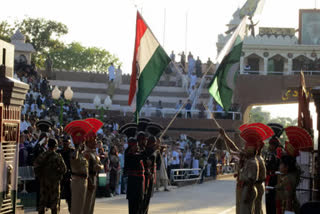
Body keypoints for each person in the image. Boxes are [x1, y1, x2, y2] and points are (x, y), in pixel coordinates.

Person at [275, 126, 311, 214]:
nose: (279, 167)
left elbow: (288, 199)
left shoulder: (288, 179)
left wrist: (287, 212)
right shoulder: (292, 173)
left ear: (286, 167)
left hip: (289, 208)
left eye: (281, 164)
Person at [65, 120, 92, 214]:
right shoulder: (74, 153)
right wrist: (77, 147)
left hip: (84, 180)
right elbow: (73, 157)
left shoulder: (83, 155)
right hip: (77, 180)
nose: (84, 145)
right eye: (82, 143)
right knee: (76, 205)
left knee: (81, 205)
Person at [33, 139, 67, 214]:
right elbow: (64, 169)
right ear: (55, 146)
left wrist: (40, 176)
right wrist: (57, 174)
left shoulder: (42, 155)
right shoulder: (57, 157)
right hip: (54, 183)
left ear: (48, 146)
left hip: (44, 182)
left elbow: (35, 166)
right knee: (54, 202)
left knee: (42, 202)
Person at [83, 118, 104, 214]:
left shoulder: (93, 153)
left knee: (91, 204)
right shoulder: (86, 153)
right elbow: (86, 169)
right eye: (94, 140)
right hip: (89, 179)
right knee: (87, 204)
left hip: (94, 177)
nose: (96, 142)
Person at [265, 123, 284, 214]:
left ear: (275, 145)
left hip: (275, 180)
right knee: (269, 201)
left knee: (273, 202)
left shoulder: (279, 154)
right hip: (270, 179)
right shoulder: (271, 154)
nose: (269, 147)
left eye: (271, 145)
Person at [57, 137, 74, 212]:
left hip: (69, 174)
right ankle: (57, 208)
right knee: (58, 193)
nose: (66, 144)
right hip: (60, 174)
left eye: (67, 143)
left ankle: (71, 209)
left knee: (69, 194)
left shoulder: (72, 151)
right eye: (64, 143)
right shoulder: (59, 152)